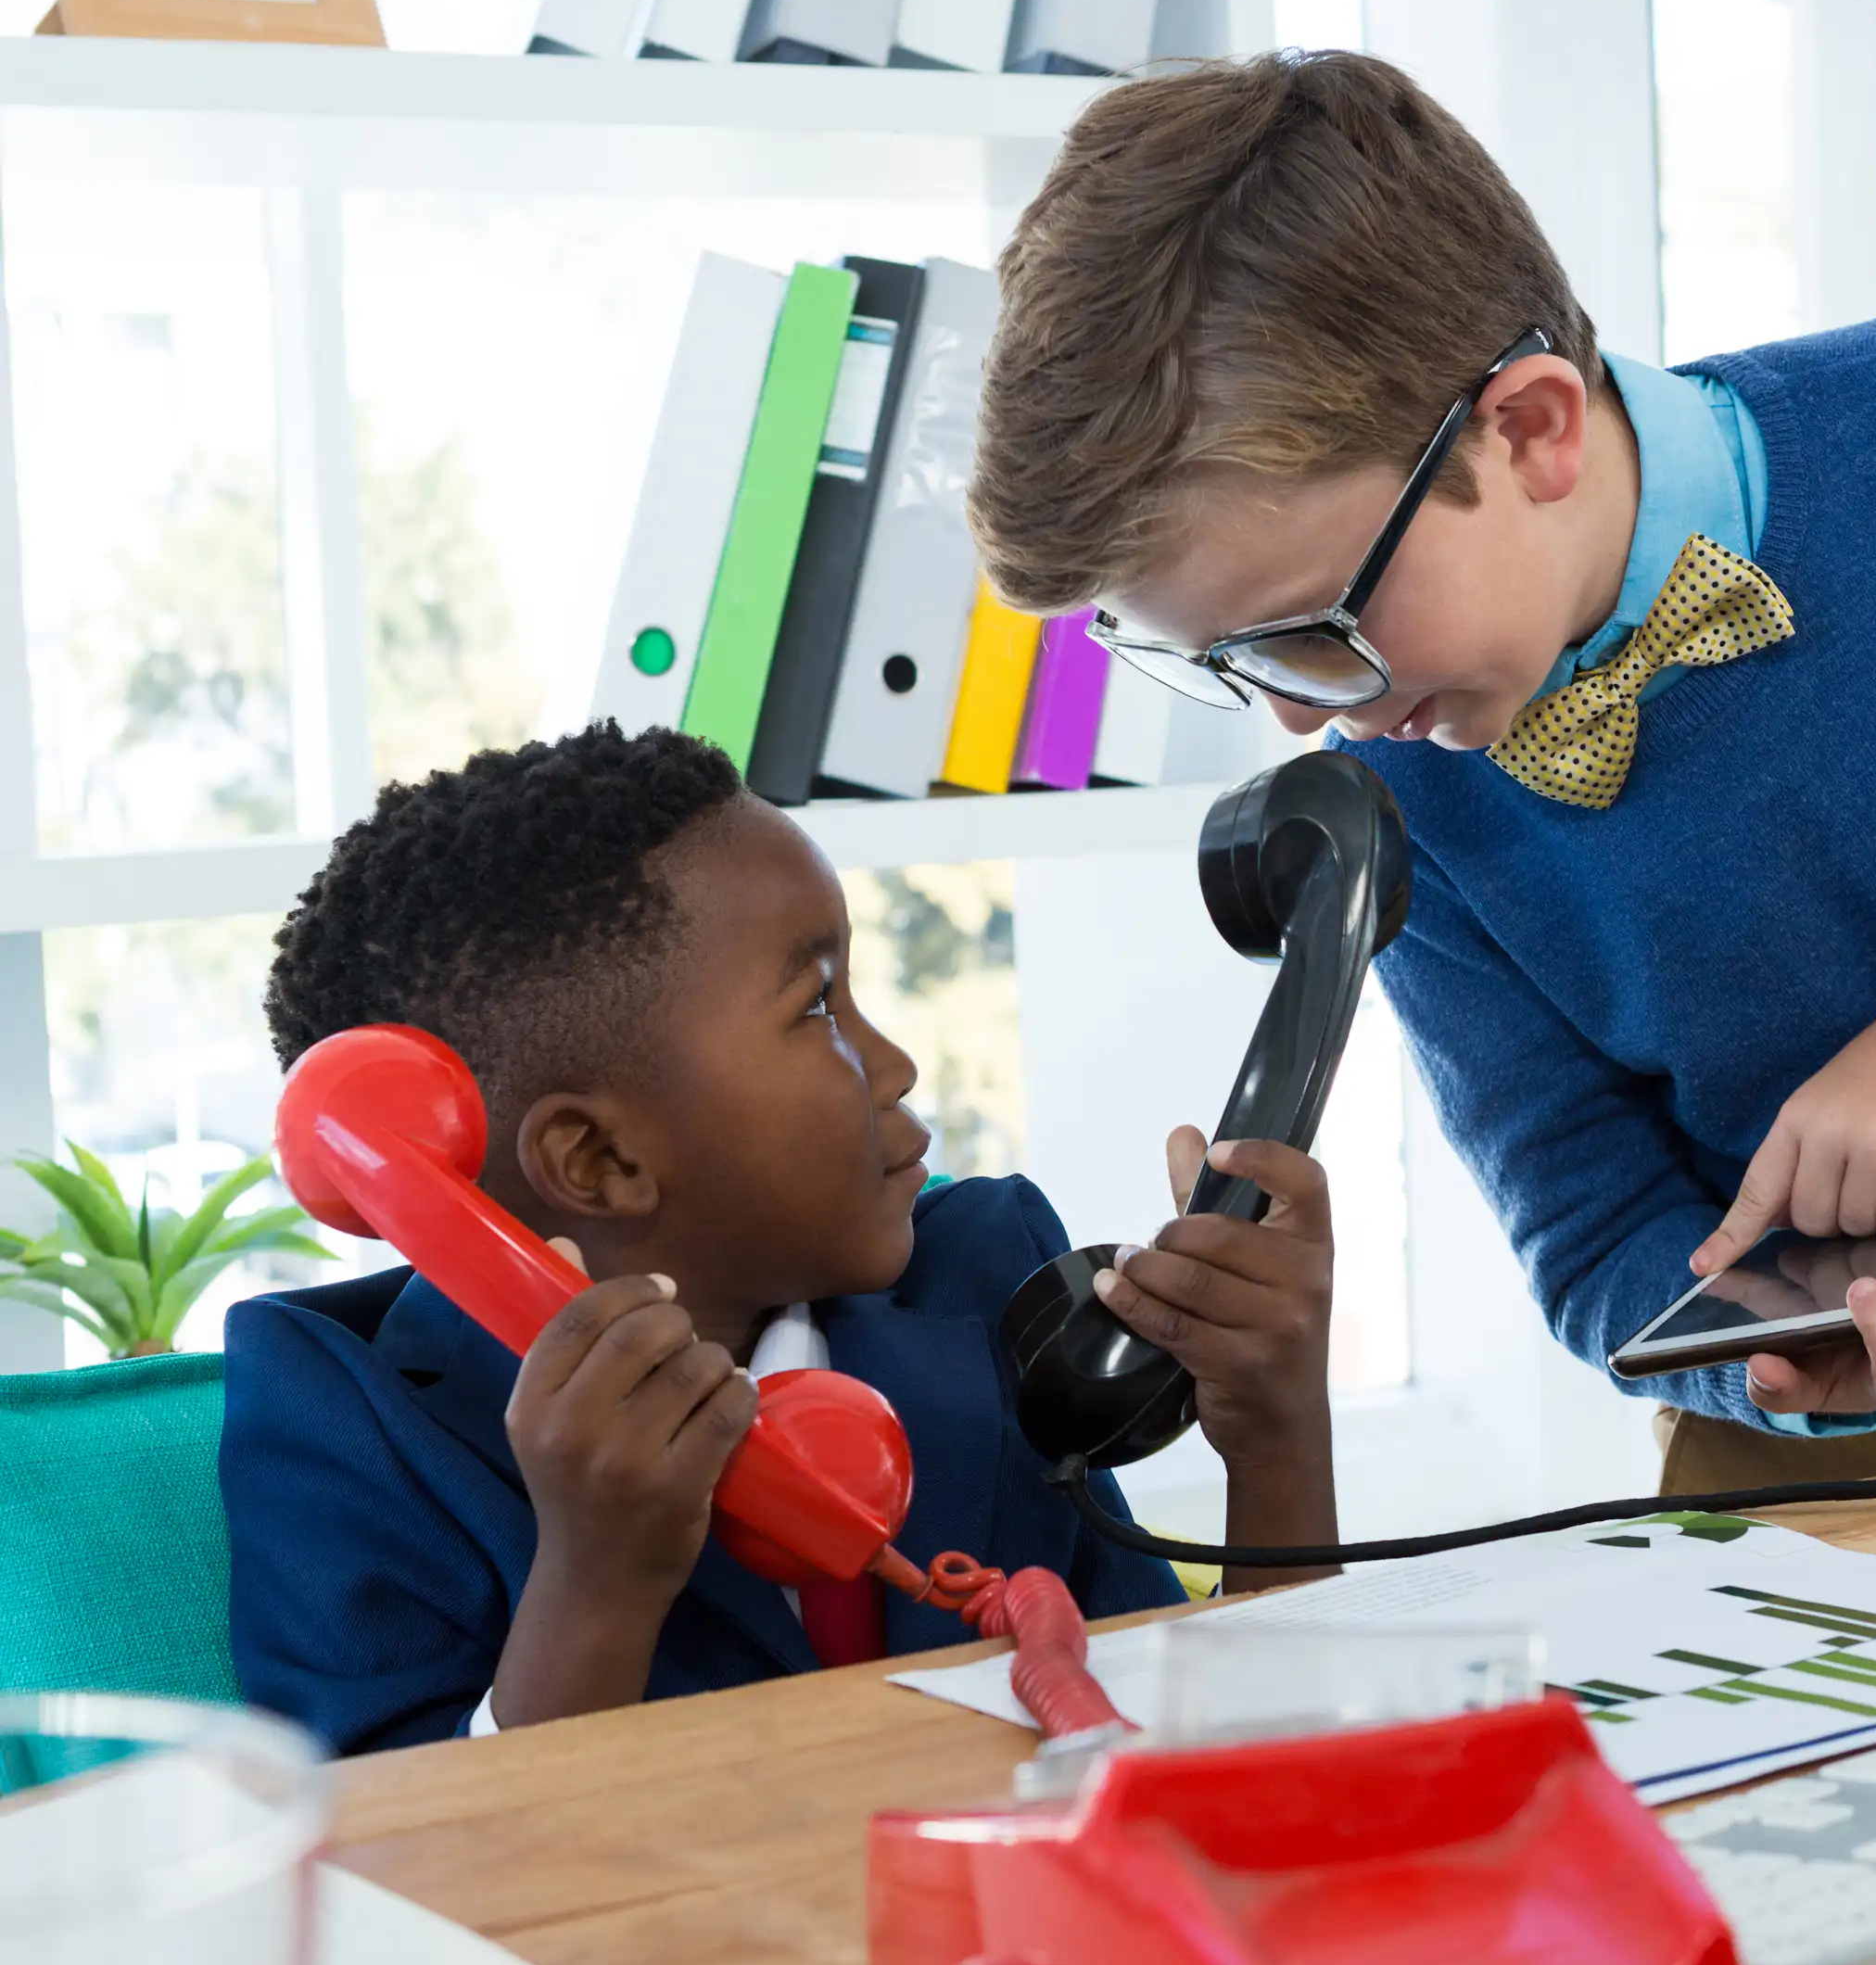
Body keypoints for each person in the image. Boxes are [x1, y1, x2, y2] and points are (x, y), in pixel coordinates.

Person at [965, 47, 1876, 1494]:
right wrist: (1778, 1374)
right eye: (1225, 663)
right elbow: (1586, 1222)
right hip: (1808, 1472)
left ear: (1531, 429)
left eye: (1315, 632)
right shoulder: (1398, 779)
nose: (1296, 722)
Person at [224, 724, 1338, 1753]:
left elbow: (1236, 1772)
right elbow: (405, 1908)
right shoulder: (349, 1429)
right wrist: (595, 1588)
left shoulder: (990, 1279)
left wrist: (1276, 1433)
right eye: (816, 1008)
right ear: (599, 1162)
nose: (893, 1063)